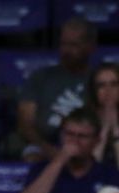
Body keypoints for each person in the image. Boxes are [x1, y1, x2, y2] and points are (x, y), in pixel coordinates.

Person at [17, 107, 119, 193]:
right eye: (69, 134)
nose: (74, 141)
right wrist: (60, 160)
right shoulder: (42, 170)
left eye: (82, 136)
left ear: (97, 140)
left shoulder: (109, 175)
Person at [18, 17, 97, 162]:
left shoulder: (99, 80)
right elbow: (25, 122)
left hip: (88, 144)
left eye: (74, 45)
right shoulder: (41, 77)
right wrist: (47, 148)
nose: (66, 50)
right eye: (63, 44)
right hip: (43, 144)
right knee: (32, 157)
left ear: (90, 47)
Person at [85, 63, 119, 170]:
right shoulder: (83, 120)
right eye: (101, 85)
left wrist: (115, 130)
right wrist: (105, 129)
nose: (108, 91)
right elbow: (89, 170)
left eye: (114, 84)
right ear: (94, 91)